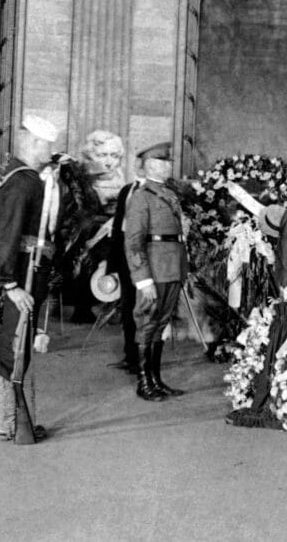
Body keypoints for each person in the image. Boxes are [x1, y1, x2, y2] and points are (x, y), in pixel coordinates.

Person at [228, 161, 287, 428]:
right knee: (278, 338)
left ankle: (267, 405)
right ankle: (264, 402)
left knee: (282, 338)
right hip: (285, 279)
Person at [0, 115, 59, 442]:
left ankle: (11, 420)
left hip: (32, 273)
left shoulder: (33, 180)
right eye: (47, 144)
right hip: (22, 278)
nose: (52, 149)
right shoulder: (21, 182)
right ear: (33, 143)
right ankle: (8, 421)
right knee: (13, 348)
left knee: (21, 348)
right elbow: (8, 237)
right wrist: (11, 284)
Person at [125, 142, 188, 402]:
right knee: (147, 322)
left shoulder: (167, 193)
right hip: (155, 270)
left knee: (161, 323)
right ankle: (144, 383)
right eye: (164, 162)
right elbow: (133, 241)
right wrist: (142, 279)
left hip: (172, 269)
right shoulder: (142, 196)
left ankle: (155, 380)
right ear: (151, 165)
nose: (169, 166)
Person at [106, 158, 146, 375]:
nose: (138, 166)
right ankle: (130, 355)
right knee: (128, 306)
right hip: (123, 257)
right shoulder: (126, 191)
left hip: (143, 259)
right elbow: (116, 227)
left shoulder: (153, 192)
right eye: (137, 163)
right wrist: (111, 264)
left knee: (143, 308)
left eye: (143, 163)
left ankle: (143, 359)